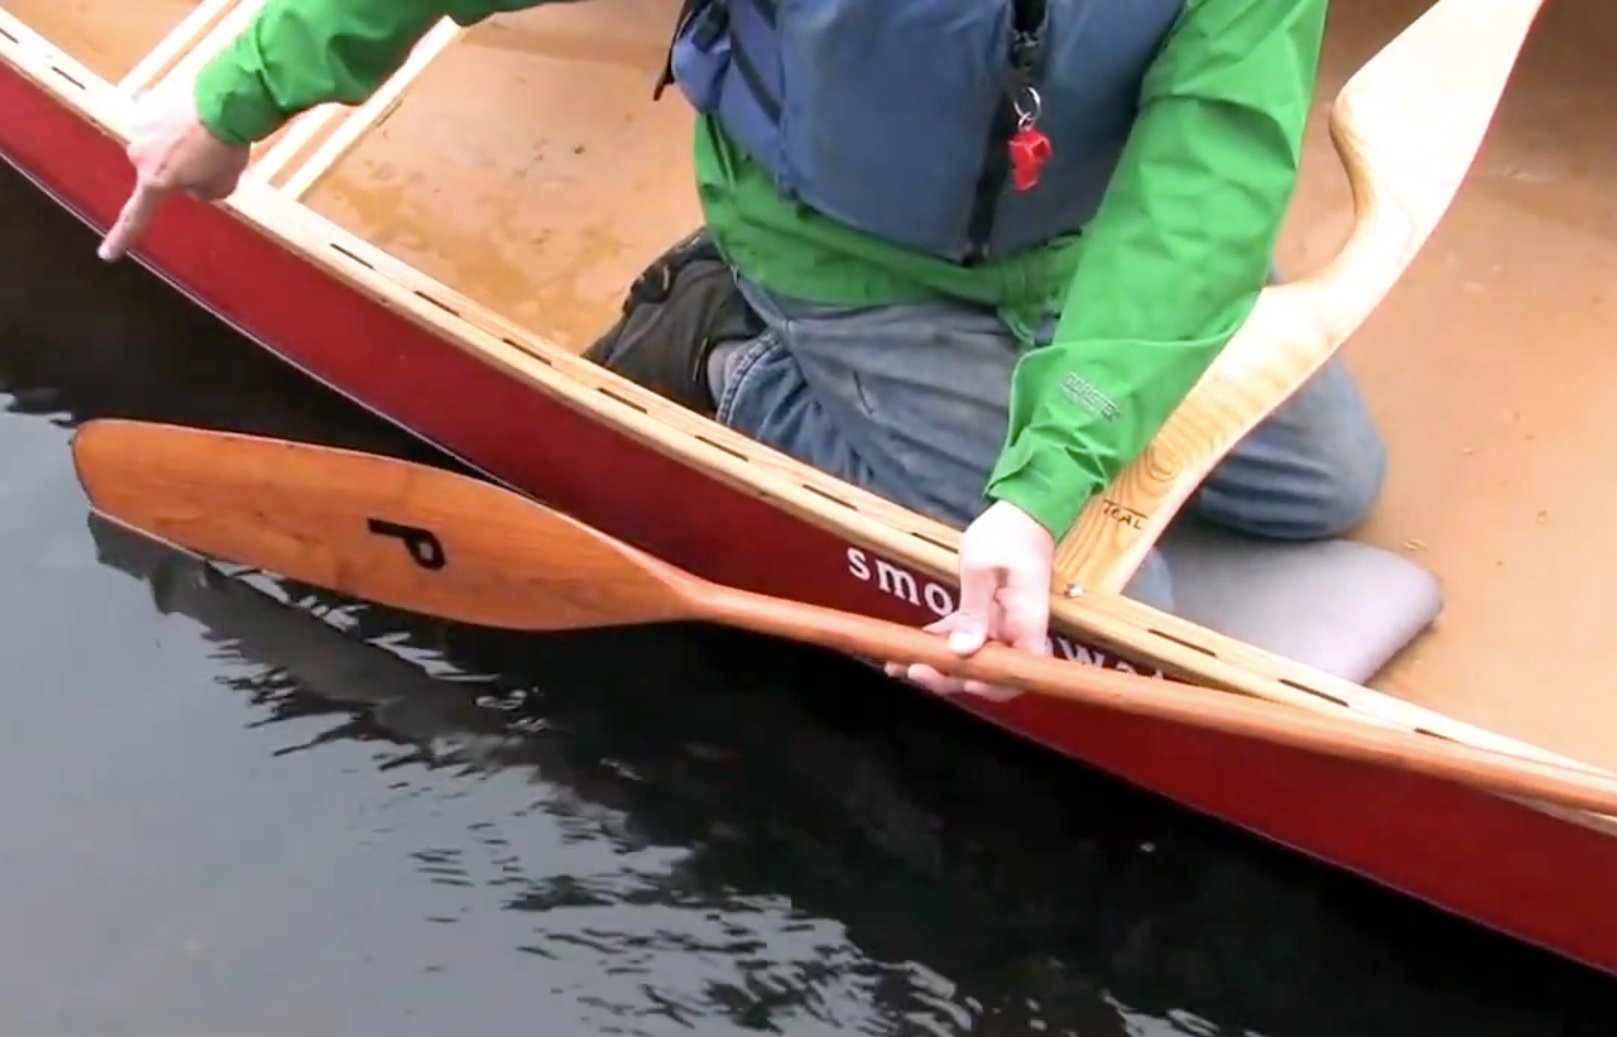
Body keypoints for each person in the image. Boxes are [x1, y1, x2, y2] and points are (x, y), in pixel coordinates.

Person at [97, 0, 1386, 703]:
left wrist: (1055, 463)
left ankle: (1012, 420)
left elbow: (1206, 181)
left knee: (1333, 485)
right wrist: (233, 100)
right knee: (1117, 620)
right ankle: (734, 354)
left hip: (1078, 238)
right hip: (840, 251)